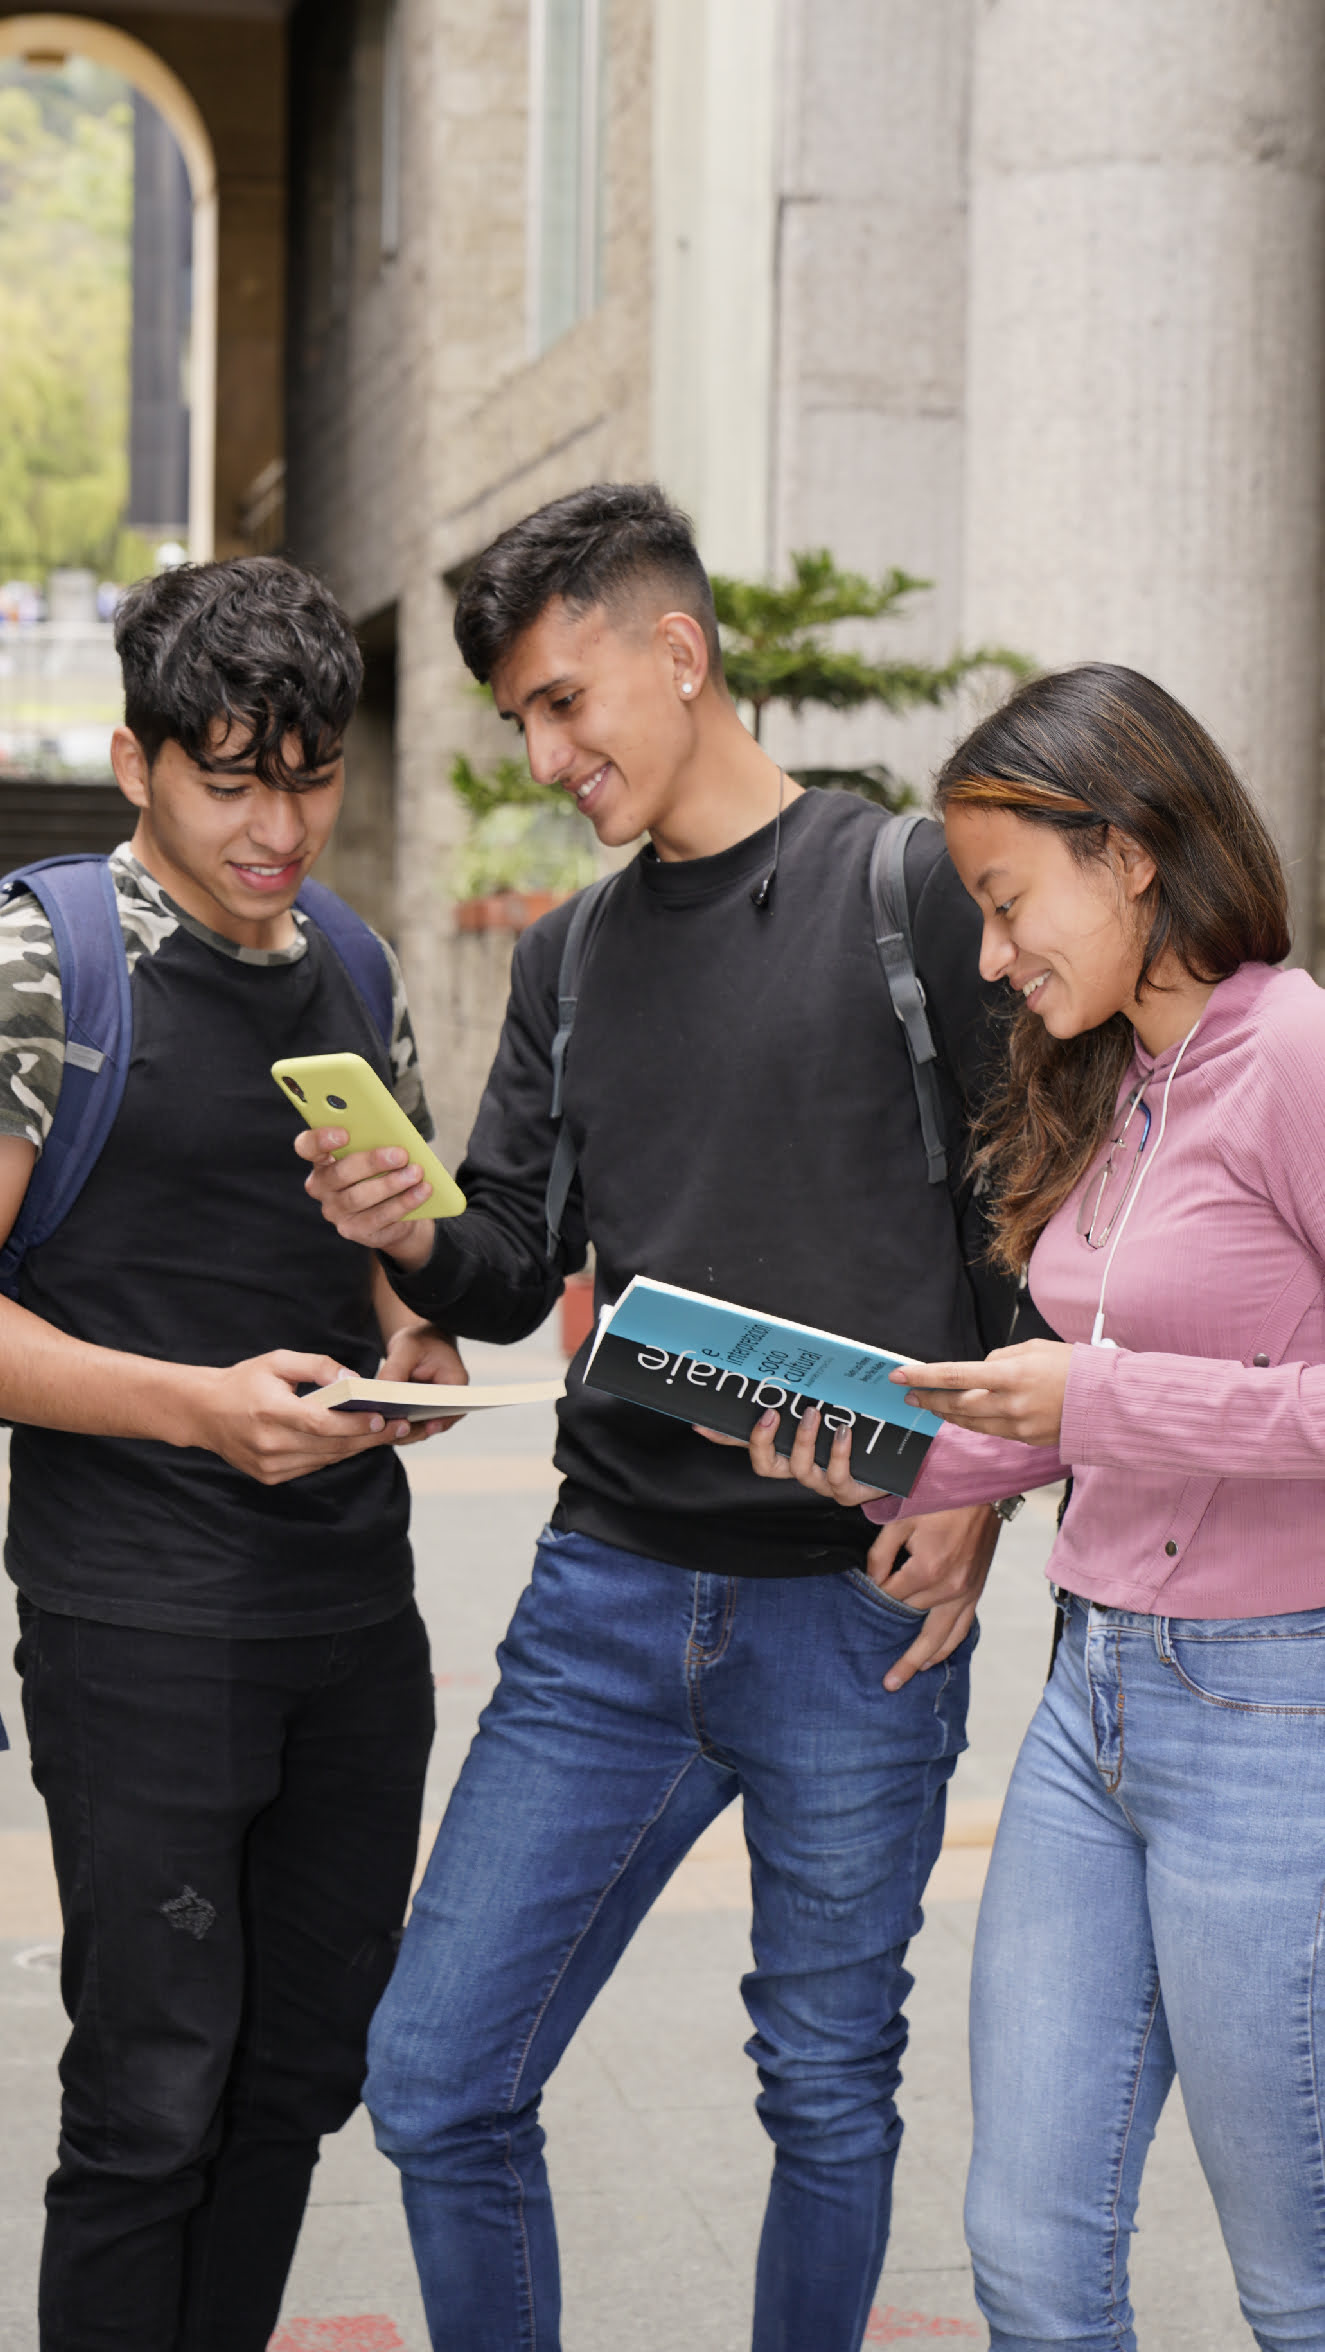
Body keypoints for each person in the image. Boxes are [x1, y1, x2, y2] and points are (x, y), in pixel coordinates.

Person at [296, 481, 1021, 2352]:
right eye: (520, 721)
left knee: (825, 2096)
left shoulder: (911, 890)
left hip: (855, 1612)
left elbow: (1041, 1226)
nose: (545, 755)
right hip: (603, 1599)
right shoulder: (569, 956)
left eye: (560, 702)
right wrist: (410, 1234)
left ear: (676, 652)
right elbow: (509, 1254)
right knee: (439, 2075)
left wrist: (987, 1491)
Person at [737, 660, 1325, 2349]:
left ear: (1129, 849)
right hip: (1093, 1710)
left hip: (1271, 1709)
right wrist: (865, 1444)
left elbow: (1118, 1396)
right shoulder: (1112, 1086)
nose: (988, 954)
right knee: (1026, 2254)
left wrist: (1097, 1395)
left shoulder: (1285, 1053)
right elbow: (1068, 1417)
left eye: (1006, 903)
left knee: (1293, 2280)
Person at [5, 556, 461, 2352]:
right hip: (139, 1625)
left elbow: (396, 1270)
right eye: (229, 777)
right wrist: (198, 1405)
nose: (279, 825)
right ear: (136, 763)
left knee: (294, 2076)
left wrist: (419, 1351)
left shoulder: (352, 959)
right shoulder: (51, 960)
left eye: (312, 776)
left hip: (352, 1625)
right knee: (149, 2101)